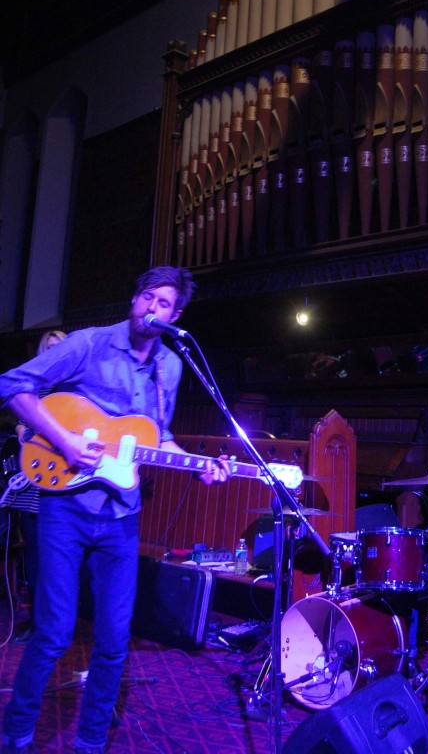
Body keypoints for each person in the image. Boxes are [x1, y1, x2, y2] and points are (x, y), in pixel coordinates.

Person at [0, 267, 231, 754]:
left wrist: (198, 466)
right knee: (53, 633)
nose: (152, 308)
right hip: (66, 505)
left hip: (122, 517)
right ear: (134, 298)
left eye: (164, 304)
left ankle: (90, 741)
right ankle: (16, 732)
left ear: (176, 315)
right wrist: (63, 438)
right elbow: (13, 384)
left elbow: (156, 437)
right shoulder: (90, 344)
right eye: (146, 296)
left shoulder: (171, 366)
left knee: (113, 639)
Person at [4, 331, 68, 644]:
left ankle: (51, 623)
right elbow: (18, 416)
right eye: (51, 348)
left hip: (62, 482)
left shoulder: (72, 388)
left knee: (55, 560)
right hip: (33, 482)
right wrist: (21, 426)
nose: (57, 352)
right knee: (34, 557)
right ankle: (35, 620)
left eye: (62, 347)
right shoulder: (35, 385)